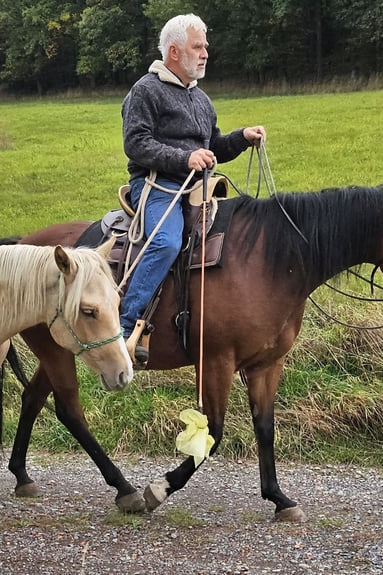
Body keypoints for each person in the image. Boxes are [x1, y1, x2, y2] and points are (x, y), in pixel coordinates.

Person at [120, 13, 266, 363]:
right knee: (167, 242)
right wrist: (184, 158)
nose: (205, 54)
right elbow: (136, 143)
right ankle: (123, 326)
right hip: (157, 185)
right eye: (197, 47)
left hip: (198, 187)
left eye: (205, 46)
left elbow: (213, 146)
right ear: (174, 52)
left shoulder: (200, 98)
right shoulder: (145, 91)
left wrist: (241, 138)